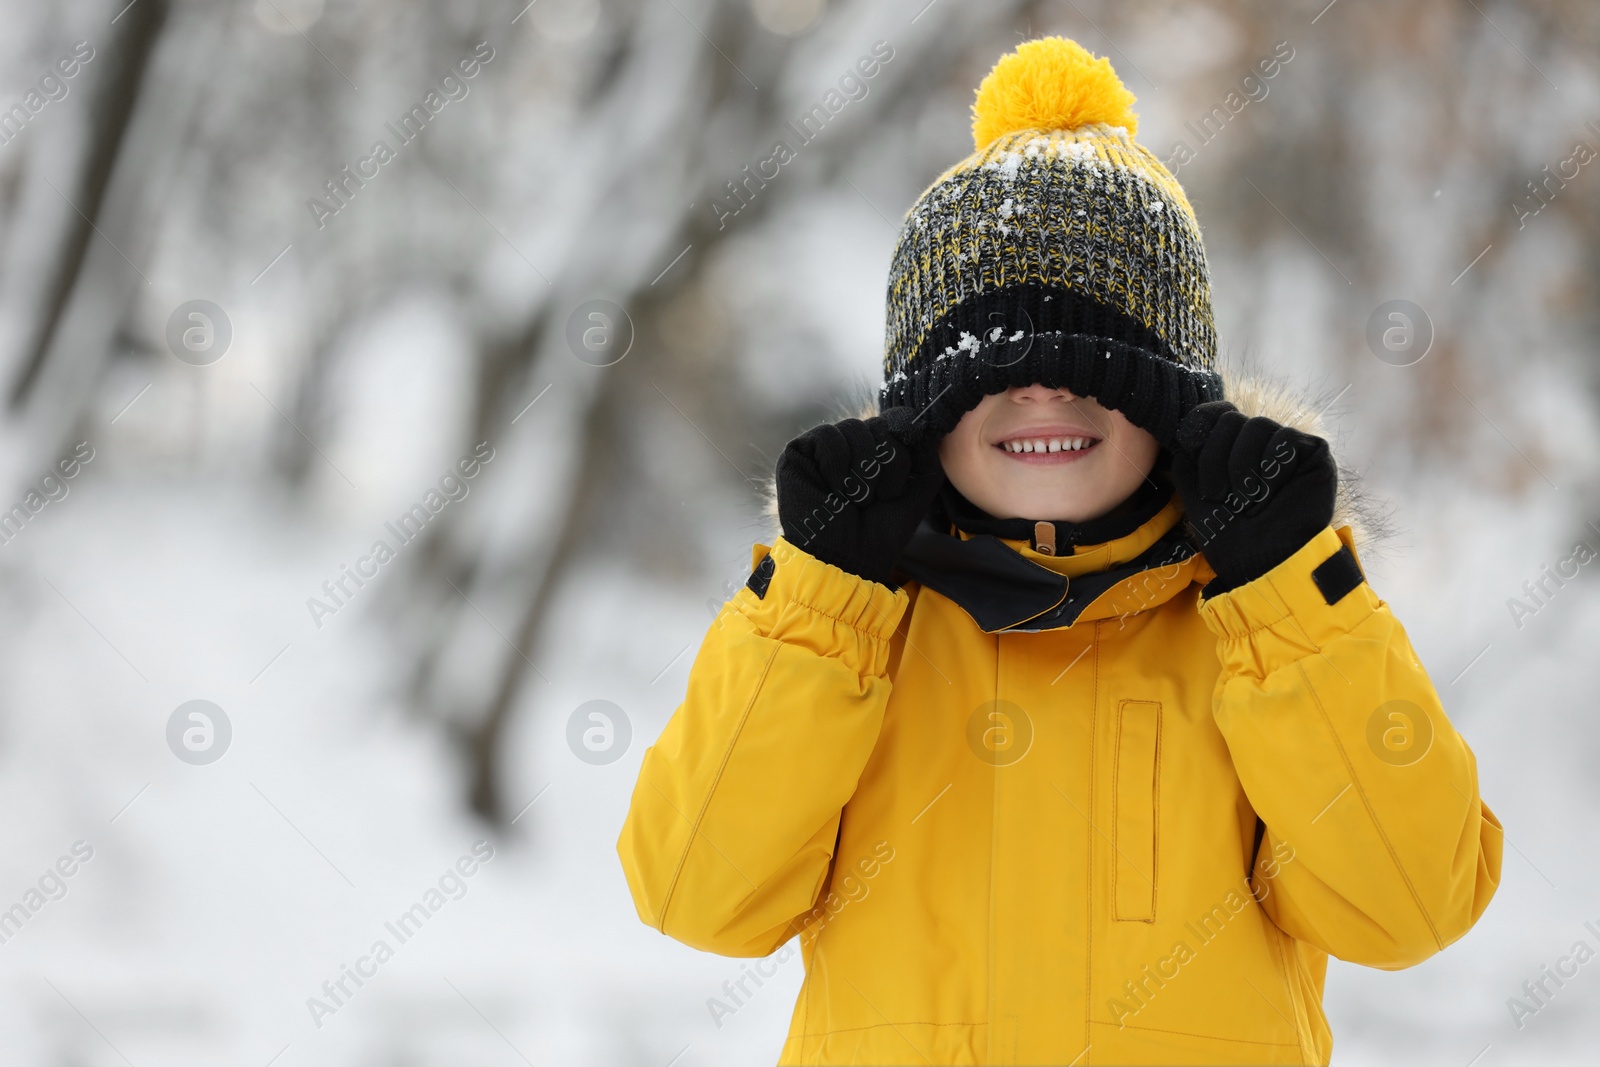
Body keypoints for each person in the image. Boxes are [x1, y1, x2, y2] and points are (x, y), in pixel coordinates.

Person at [618, 36, 1502, 1066]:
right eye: (986, 363)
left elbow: (1409, 905)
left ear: (1173, 401)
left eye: (1099, 361)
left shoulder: (1260, 629)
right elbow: (693, 891)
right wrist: (818, 601)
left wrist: (1291, 597)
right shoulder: (854, 632)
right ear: (922, 409)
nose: (1042, 393)